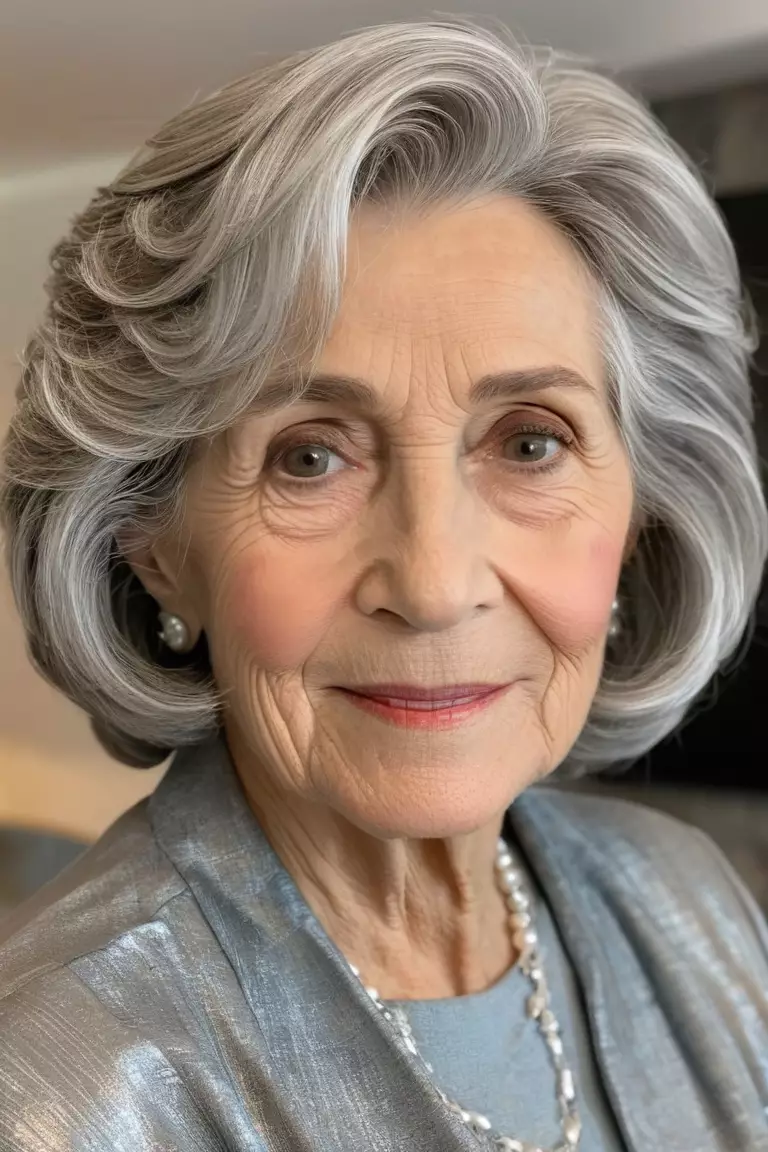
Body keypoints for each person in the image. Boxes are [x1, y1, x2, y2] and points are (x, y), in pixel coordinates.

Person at [0, 16, 766, 1152]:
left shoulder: (687, 897)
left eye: (531, 443)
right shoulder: (60, 1082)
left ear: (645, 511)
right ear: (151, 539)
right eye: (310, 456)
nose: (435, 582)